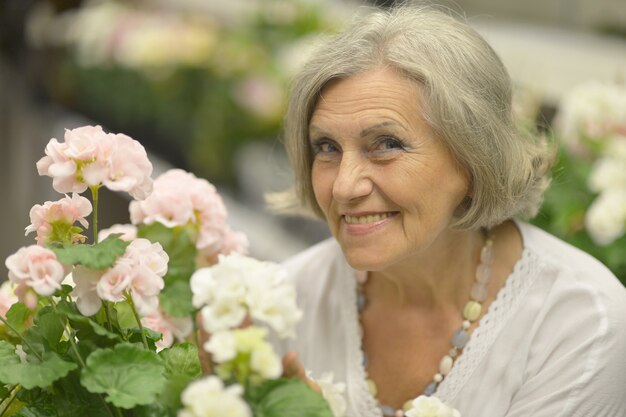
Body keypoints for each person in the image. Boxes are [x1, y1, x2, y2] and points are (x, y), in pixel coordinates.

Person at [270, 3, 626, 417]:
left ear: (473, 161)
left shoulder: (581, 322)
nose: (344, 186)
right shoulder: (284, 300)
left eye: (386, 144)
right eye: (326, 147)